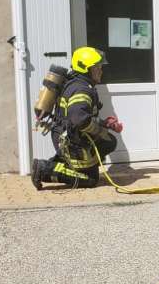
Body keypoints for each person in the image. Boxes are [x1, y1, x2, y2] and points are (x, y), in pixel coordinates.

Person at [31, 47, 122, 189]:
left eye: (100, 67)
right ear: (86, 69)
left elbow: (81, 116)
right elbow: (80, 119)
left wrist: (105, 123)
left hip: (67, 135)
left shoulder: (76, 82)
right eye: (97, 68)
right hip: (71, 140)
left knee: (109, 141)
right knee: (90, 180)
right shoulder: (82, 89)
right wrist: (99, 130)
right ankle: (44, 169)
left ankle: (69, 164)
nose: (101, 71)